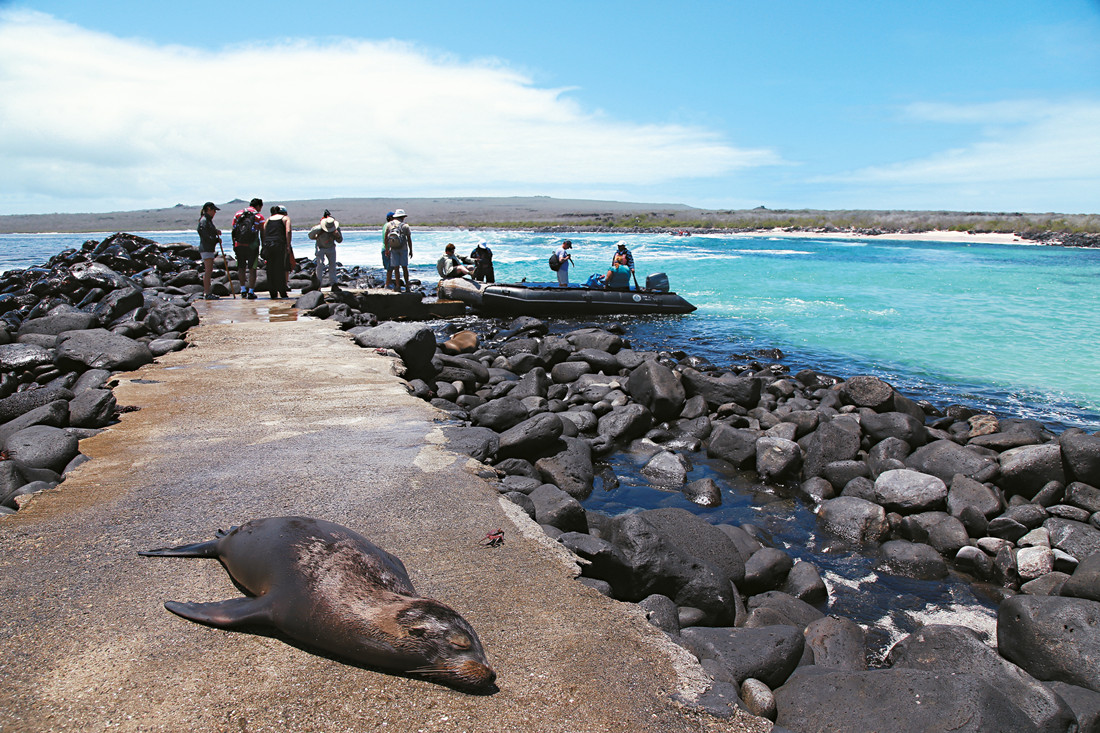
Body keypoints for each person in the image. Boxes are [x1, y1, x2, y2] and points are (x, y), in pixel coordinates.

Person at [231, 198, 265, 300]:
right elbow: (262, 232)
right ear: (259, 206)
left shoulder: (238, 214)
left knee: (241, 267)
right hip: (252, 246)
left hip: (239, 245)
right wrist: (263, 246)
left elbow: (234, 230)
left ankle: (242, 290)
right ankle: (251, 291)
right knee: (252, 268)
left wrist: (234, 245)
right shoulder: (259, 216)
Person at [261, 205, 293, 299]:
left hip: (268, 245)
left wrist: (264, 245)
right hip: (279, 244)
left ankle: (273, 292)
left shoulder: (268, 219)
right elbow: (288, 231)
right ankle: (282, 292)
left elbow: (264, 232)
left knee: (270, 269)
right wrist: (288, 245)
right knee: (280, 268)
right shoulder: (285, 218)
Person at [309, 209, 343, 292]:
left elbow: (340, 240)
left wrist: (337, 235)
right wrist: (317, 238)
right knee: (320, 265)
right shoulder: (317, 229)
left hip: (331, 248)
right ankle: (318, 285)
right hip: (320, 247)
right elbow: (310, 236)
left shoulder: (336, 229)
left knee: (332, 266)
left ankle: (334, 284)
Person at [197, 202, 222, 300]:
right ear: (208, 209)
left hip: (209, 248)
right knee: (208, 271)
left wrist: (216, 232)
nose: (215, 212)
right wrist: (215, 239)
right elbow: (204, 234)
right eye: (213, 210)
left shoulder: (208, 220)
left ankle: (207, 292)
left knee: (209, 270)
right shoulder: (204, 220)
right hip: (206, 248)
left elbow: (208, 232)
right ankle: (207, 293)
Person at [386, 209, 413, 292]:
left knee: (396, 268)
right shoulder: (405, 226)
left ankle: (398, 286)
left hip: (393, 249)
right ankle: (407, 286)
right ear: (403, 217)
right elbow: (409, 239)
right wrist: (411, 250)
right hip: (403, 248)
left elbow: (386, 238)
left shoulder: (389, 225)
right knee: (404, 267)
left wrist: (387, 249)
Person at [381, 211, 396, 290]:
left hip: (385, 248)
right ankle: (387, 284)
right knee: (390, 268)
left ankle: (388, 282)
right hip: (388, 248)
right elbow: (386, 238)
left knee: (389, 267)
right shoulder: (389, 226)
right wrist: (387, 249)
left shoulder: (385, 225)